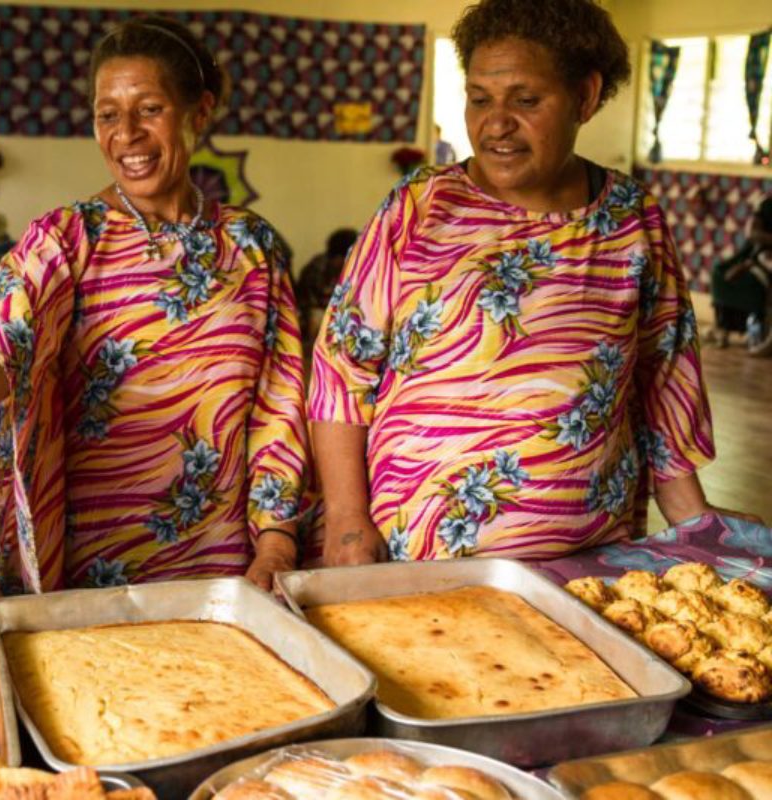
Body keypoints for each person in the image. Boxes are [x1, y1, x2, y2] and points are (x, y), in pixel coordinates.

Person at [309, 0, 760, 567]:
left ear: (586, 96)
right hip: (417, 554)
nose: (496, 123)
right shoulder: (419, 207)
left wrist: (694, 525)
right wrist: (349, 521)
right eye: (479, 99)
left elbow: (663, 377)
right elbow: (340, 371)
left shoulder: (631, 219)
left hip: (589, 561)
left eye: (525, 100)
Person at [0, 16, 307, 594]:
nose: (125, 133)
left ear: (199, 112)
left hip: (227, 565)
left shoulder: (254, 249)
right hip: (97, 573)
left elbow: (280, 401)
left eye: (149, 109)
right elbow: (11, 324)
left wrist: (276, 538)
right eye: (107, 114)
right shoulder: (68, 238)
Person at [708, 196, 772, 350]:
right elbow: (751, 233)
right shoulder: (767, 205)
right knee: (719, 272)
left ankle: (763, 334)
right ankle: (723, 327)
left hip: (766, 256)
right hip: (759, 252)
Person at [296, 228, 359, 352]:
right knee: (317, 317)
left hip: (339, 320)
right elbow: (311, 308)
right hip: (313, 320)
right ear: (337, 257)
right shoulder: (316, 270)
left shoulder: (355, 269)